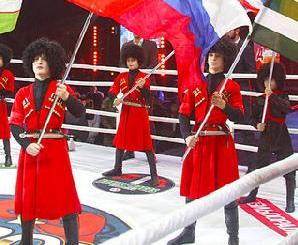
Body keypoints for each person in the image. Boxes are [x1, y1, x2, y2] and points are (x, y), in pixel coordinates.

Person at [9, 38, 86, 245]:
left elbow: (80, 113)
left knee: (65, 196)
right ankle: (26, 241)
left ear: (53, 63)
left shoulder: (61, 88)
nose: (39, 62)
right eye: (35, 59)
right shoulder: (22, 93)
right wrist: (26, 145)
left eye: (44, 59)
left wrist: (68, 98)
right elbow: (15, 125)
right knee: (28, 198)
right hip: (31, 150)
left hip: (55, 150)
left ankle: (73, 242)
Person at [169, 38, 244, 245]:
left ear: (225, 60)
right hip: (199, 142)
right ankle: (189, 232)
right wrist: (186, 136)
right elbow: (183, 114)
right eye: (211, 55)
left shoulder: (231, 87)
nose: (212, 59)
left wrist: (224, 107)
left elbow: (240, 116)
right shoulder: (195, 83)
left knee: (229, 193)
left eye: (217, 56)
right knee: (192, 191)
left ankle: (233, 239)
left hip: (221, 144)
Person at [238, 62, 295, 212]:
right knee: (258, 167)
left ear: (278, 80)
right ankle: (252, 194)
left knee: (289, 167)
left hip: (281, 134)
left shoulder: (282, 96)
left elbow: (287, 108)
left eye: (271, 80)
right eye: (265, 80)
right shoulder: (259, 99)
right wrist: (257, 125)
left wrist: (273, 97)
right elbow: (251, 118)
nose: (268, 83)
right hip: (266, 134)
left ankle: (290, 201)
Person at [102, 43, 159, 185]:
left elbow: (148, 97)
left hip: (139, 113)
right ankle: (117, 168)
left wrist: (142, 87)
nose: (130, 63)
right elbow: (113, 89)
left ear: (139, 61)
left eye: (133, 60)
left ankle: (154, 175)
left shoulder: (144, 77)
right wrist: (114, 98)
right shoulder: (122, 76)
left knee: (146, 143)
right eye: (128, 60)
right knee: (121, 140)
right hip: (126, 111)